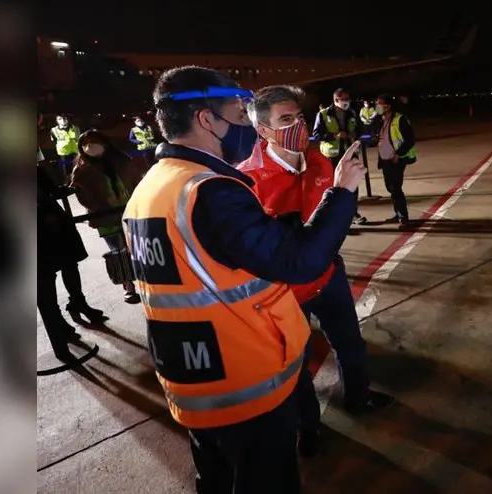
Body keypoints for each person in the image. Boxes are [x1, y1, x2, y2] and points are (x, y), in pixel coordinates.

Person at [122, 66, 366, 494]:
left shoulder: (150, 189)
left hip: (193, 378)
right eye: (237, 113)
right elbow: (298, 261)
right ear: (205, 119)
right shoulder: (211, 191)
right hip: (243, 380)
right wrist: (343, 193)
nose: (244, 125)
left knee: (217, 480)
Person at [238, 85, 394, 456]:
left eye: (300, 117)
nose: (298, 126)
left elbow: (335, 226)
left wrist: (345, 190)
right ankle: (307, 427)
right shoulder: (247, 181)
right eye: (286, 120)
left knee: (350, 342)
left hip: (328, 276)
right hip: (284, 292)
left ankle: (359, 396)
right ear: (263, 130)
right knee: (295, 364)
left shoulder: (323, 163)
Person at [38, 163, 106, 361]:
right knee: (44, 281)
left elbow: (49, 189)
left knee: (69, 263)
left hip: (53, 222)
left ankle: (78, 302)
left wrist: (66, 190)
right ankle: (58, 327)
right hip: (37, 229)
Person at [71, 129, 147, 304]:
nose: (90, 146)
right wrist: (97, 207)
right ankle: (128, 286)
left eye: (93, 141)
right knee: (118, 251)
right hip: (106, 217)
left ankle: (145, 280)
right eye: (85, 144)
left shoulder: (122, 161)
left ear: (105, 143)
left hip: (130, 212)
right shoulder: (81, 170)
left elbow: (136, 182)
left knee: (136, 248)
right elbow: (83, 197)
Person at [312, 88, 368, 226]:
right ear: (336, 100)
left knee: (352, 184)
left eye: (348, 99)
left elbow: (360, 129)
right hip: (332, 156)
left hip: (349, 153)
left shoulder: (352, 113)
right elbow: (317, 134)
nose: (346, 102)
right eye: (343, 99)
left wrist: (355, 134)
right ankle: (335, 216)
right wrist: (334, 136)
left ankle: (353, 213)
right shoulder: (324, 114)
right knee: (334, 186)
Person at [373, 94, 417, 228]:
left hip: (396, 159)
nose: (378, 106)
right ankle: (398, 214)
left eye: (380, 104)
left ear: (388, 106)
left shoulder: (400, 119)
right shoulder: (381, 120)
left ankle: (404, 218)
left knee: (396, 188)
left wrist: (398, 154)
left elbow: (410, 139)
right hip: (385, 159)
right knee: (390, 188)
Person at [50, 114, 80, 180]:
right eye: (60, 119)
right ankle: (67, 184)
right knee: (66, 170)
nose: (63, 120)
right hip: (63, 155)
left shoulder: (75, 128)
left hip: (75, 153)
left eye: (64, 118)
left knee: (76, 170)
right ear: (56, 121)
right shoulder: (53, 130)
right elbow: (54, 141)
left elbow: (79, 139)